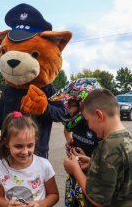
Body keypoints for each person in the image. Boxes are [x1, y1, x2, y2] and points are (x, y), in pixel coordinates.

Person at [63, 89, 132, 207]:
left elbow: (98, 200)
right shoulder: (131, 139)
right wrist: (92, 162)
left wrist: (75, 169)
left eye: (88, 121)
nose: (88, 126)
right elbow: (121, 171)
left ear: (99, 115)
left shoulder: (107, 147)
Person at [0, 111, 59, 207]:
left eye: (30, 145)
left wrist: (40, 204)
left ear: (35, 141)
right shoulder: (0, 167)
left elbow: (54, 195)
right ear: (7, 143)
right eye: (18, 146)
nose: (25, 151)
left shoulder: (44, 165)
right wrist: (7, 204)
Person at [52, 78, 100, 207]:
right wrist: (70, 143)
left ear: (83, 105)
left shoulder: (96, 126)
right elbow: (67, 129)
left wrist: (90, 160)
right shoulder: (76, 122)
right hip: (74, 176)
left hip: (91, 180)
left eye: (71, 104)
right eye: (67, 103)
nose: (67, 107)